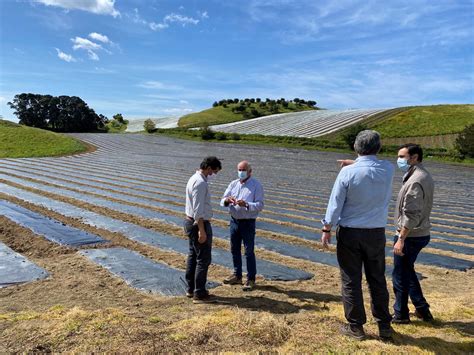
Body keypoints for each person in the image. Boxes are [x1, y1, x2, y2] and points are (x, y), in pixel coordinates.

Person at [321, 130, 394, 341]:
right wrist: (355, 162)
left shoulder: (347, 173)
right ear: (378, 148)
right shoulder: (388, 170)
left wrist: (327, 228)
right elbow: (370, 166)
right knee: (377, 278)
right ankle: (384, 326)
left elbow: (335, 204)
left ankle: (356, 327)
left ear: (355, 147)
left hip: (351, 232)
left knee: (351, 280)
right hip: (376, 233)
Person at [392, 144, 434, 323]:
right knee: (407, 271)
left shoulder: (416, 180)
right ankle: (423, 310)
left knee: (400, 275)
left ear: (414, 157)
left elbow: (411, 213)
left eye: (402, 157)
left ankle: (400, 314)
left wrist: (401, 238)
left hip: (410, 235)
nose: (399, 160)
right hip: (417, 233)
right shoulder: (420, 175)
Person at [220, 160, 264, 291]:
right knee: (234, 249)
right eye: (239, 170)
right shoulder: (233, 184)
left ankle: (251, 279)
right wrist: (228, 200)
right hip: (234, 221)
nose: (241, 172)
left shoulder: (256, 185)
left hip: (248, 222)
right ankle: (237, 275)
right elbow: (222, 201)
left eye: (243, 170)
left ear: (250, 171)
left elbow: (260, 205)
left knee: (248, 251)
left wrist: (246, 205)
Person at [184, 156, 222, 304]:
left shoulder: (194, 178)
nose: (213, 174)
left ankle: (191, 288)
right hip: (198, 224)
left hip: (190, 222)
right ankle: (199, 293)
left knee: (193, 256)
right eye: (214, 171)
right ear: (208, 167)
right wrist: (202, 230)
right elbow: (198, 210)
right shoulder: (200, 183)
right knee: (203, 259)